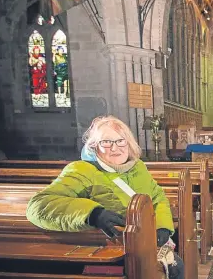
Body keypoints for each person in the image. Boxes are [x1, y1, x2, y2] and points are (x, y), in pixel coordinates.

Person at [26, 115, 184, 279]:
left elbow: (157, 196)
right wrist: (93, 214)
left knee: (176, 264)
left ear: (129, 143)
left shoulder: (138, 168)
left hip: (144, 243)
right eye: (106, 142)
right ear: (94, 146)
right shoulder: (83, 170)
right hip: (112, 250)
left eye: (120, 141)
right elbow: (38, 205)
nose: (115, 148)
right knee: (173, 267)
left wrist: (163, 226)